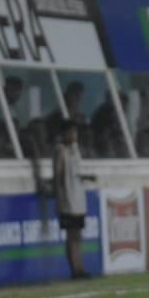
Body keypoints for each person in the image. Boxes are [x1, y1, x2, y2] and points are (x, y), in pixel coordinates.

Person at [53, 119, 96, 280]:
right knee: (71, 235)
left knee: (78, 235)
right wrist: (58, 196)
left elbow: (75, 173)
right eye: (71, 132)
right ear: (64, 134)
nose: (74, 135)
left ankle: (80, 267)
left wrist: (87, 177)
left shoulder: (75, 151)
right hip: (68, 200)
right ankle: (74, 269)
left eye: (75, 132)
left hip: (78, 199)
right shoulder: (61, 151)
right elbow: (58, 175)